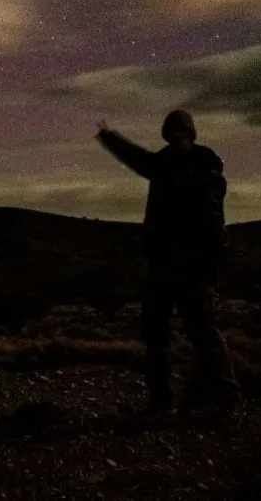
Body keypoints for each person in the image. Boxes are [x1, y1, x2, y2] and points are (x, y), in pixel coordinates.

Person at [95, 110, 241, 415]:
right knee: (157, 335)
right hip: (163, 265)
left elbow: (213, 224)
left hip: (192, 268)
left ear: (190, 134)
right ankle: (161, 403)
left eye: (180, 132)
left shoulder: (205, 172)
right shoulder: (163, 165)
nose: (175, 137)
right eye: (171, 133)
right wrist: (109, 138)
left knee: (202, 332)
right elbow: (136, 157)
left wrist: (208, 264)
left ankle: (226, 398)